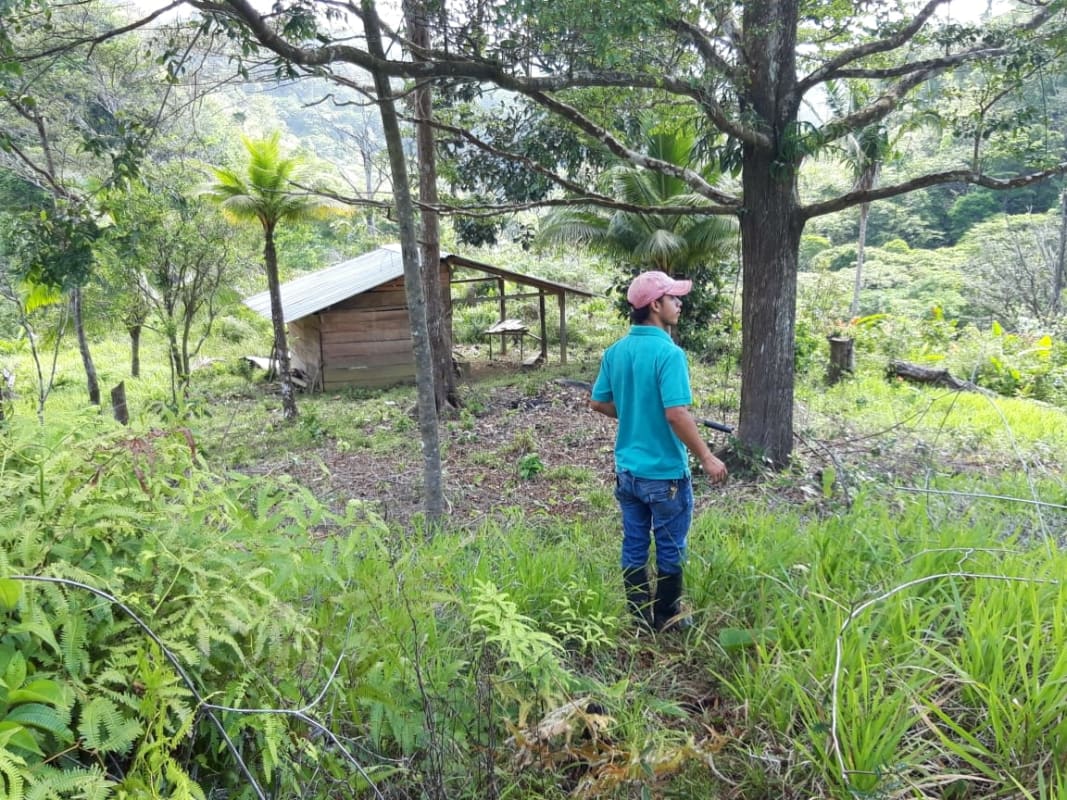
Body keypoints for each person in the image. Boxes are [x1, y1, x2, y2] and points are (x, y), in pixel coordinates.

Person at [589, 270, 728, 632]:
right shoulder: (669, 353)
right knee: (669, 546)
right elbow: (676, 413)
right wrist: (707, 457)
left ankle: (638, 617)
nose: (679, 304)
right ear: (655, 305)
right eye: (673, 298)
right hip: (664, 473)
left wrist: (634, 409)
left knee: (634, 543)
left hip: (628, 473)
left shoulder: (616, 352)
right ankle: (667, 617)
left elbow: (598, 402)